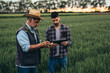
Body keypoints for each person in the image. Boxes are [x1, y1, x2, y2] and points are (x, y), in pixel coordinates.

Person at [16, 9, 50, 73]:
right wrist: (41, 44)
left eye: (38, 22)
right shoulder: (22, 32)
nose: (37, 25)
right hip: (24, 66)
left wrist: (46, 45)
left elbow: (38, 44)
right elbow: (26, 48)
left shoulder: (34, 31)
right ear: (30, 19)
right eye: (36, 22)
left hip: (33, 64)